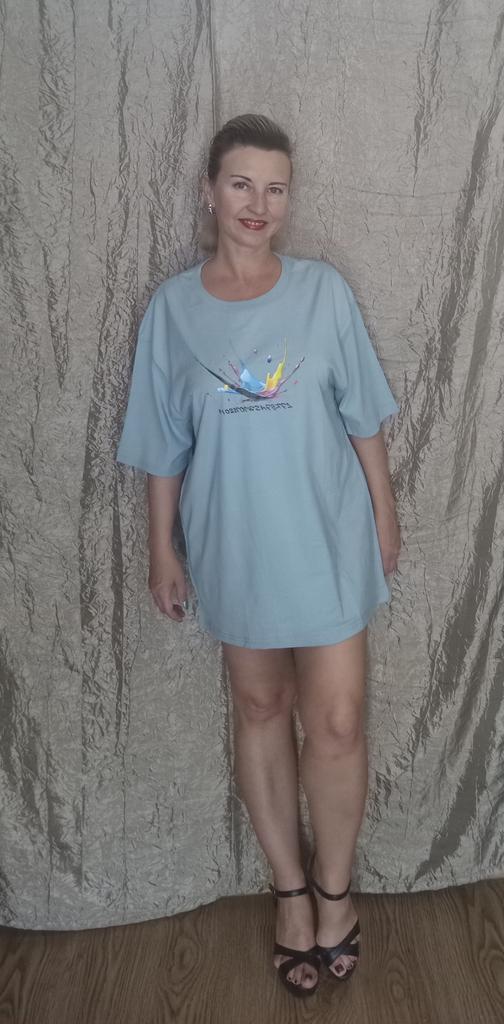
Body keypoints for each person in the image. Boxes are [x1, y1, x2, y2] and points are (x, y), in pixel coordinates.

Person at [117, 114, 401, 998]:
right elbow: (162, 442)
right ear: (209, 191)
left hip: (328, 540)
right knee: (261, 706)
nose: (259, 203)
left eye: (276, 188)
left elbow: (364, 417)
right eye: (242, 183)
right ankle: (289, 893)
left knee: (339, 722)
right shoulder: (173, 309)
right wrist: (161, 548)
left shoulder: (323, 292)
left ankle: (335, 890)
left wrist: (385, 518)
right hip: (233, 545)